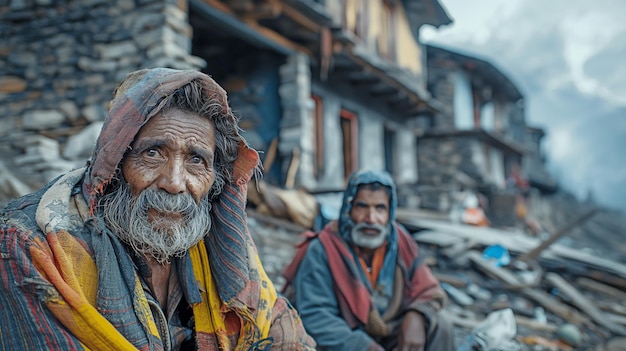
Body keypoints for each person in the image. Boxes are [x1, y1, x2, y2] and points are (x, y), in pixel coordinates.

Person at [0, 68, 315, 350]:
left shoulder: (221, 245)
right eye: (152, 153)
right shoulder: (30, 244)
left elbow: (283, 329)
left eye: (196, 160)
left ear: (214, 179)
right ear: (115, 163)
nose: (175, 183)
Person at [282, 170, 455, 351]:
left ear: (390, 212)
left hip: (389, 334)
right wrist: (366, 347)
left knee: (440, 326)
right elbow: (316, 317)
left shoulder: (401, 241)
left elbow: (428, 289)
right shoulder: (323, 248)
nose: (371, 219)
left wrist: (417, 315)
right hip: (345, 340)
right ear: (349, 209)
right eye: (362, 206)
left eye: (380, 208)